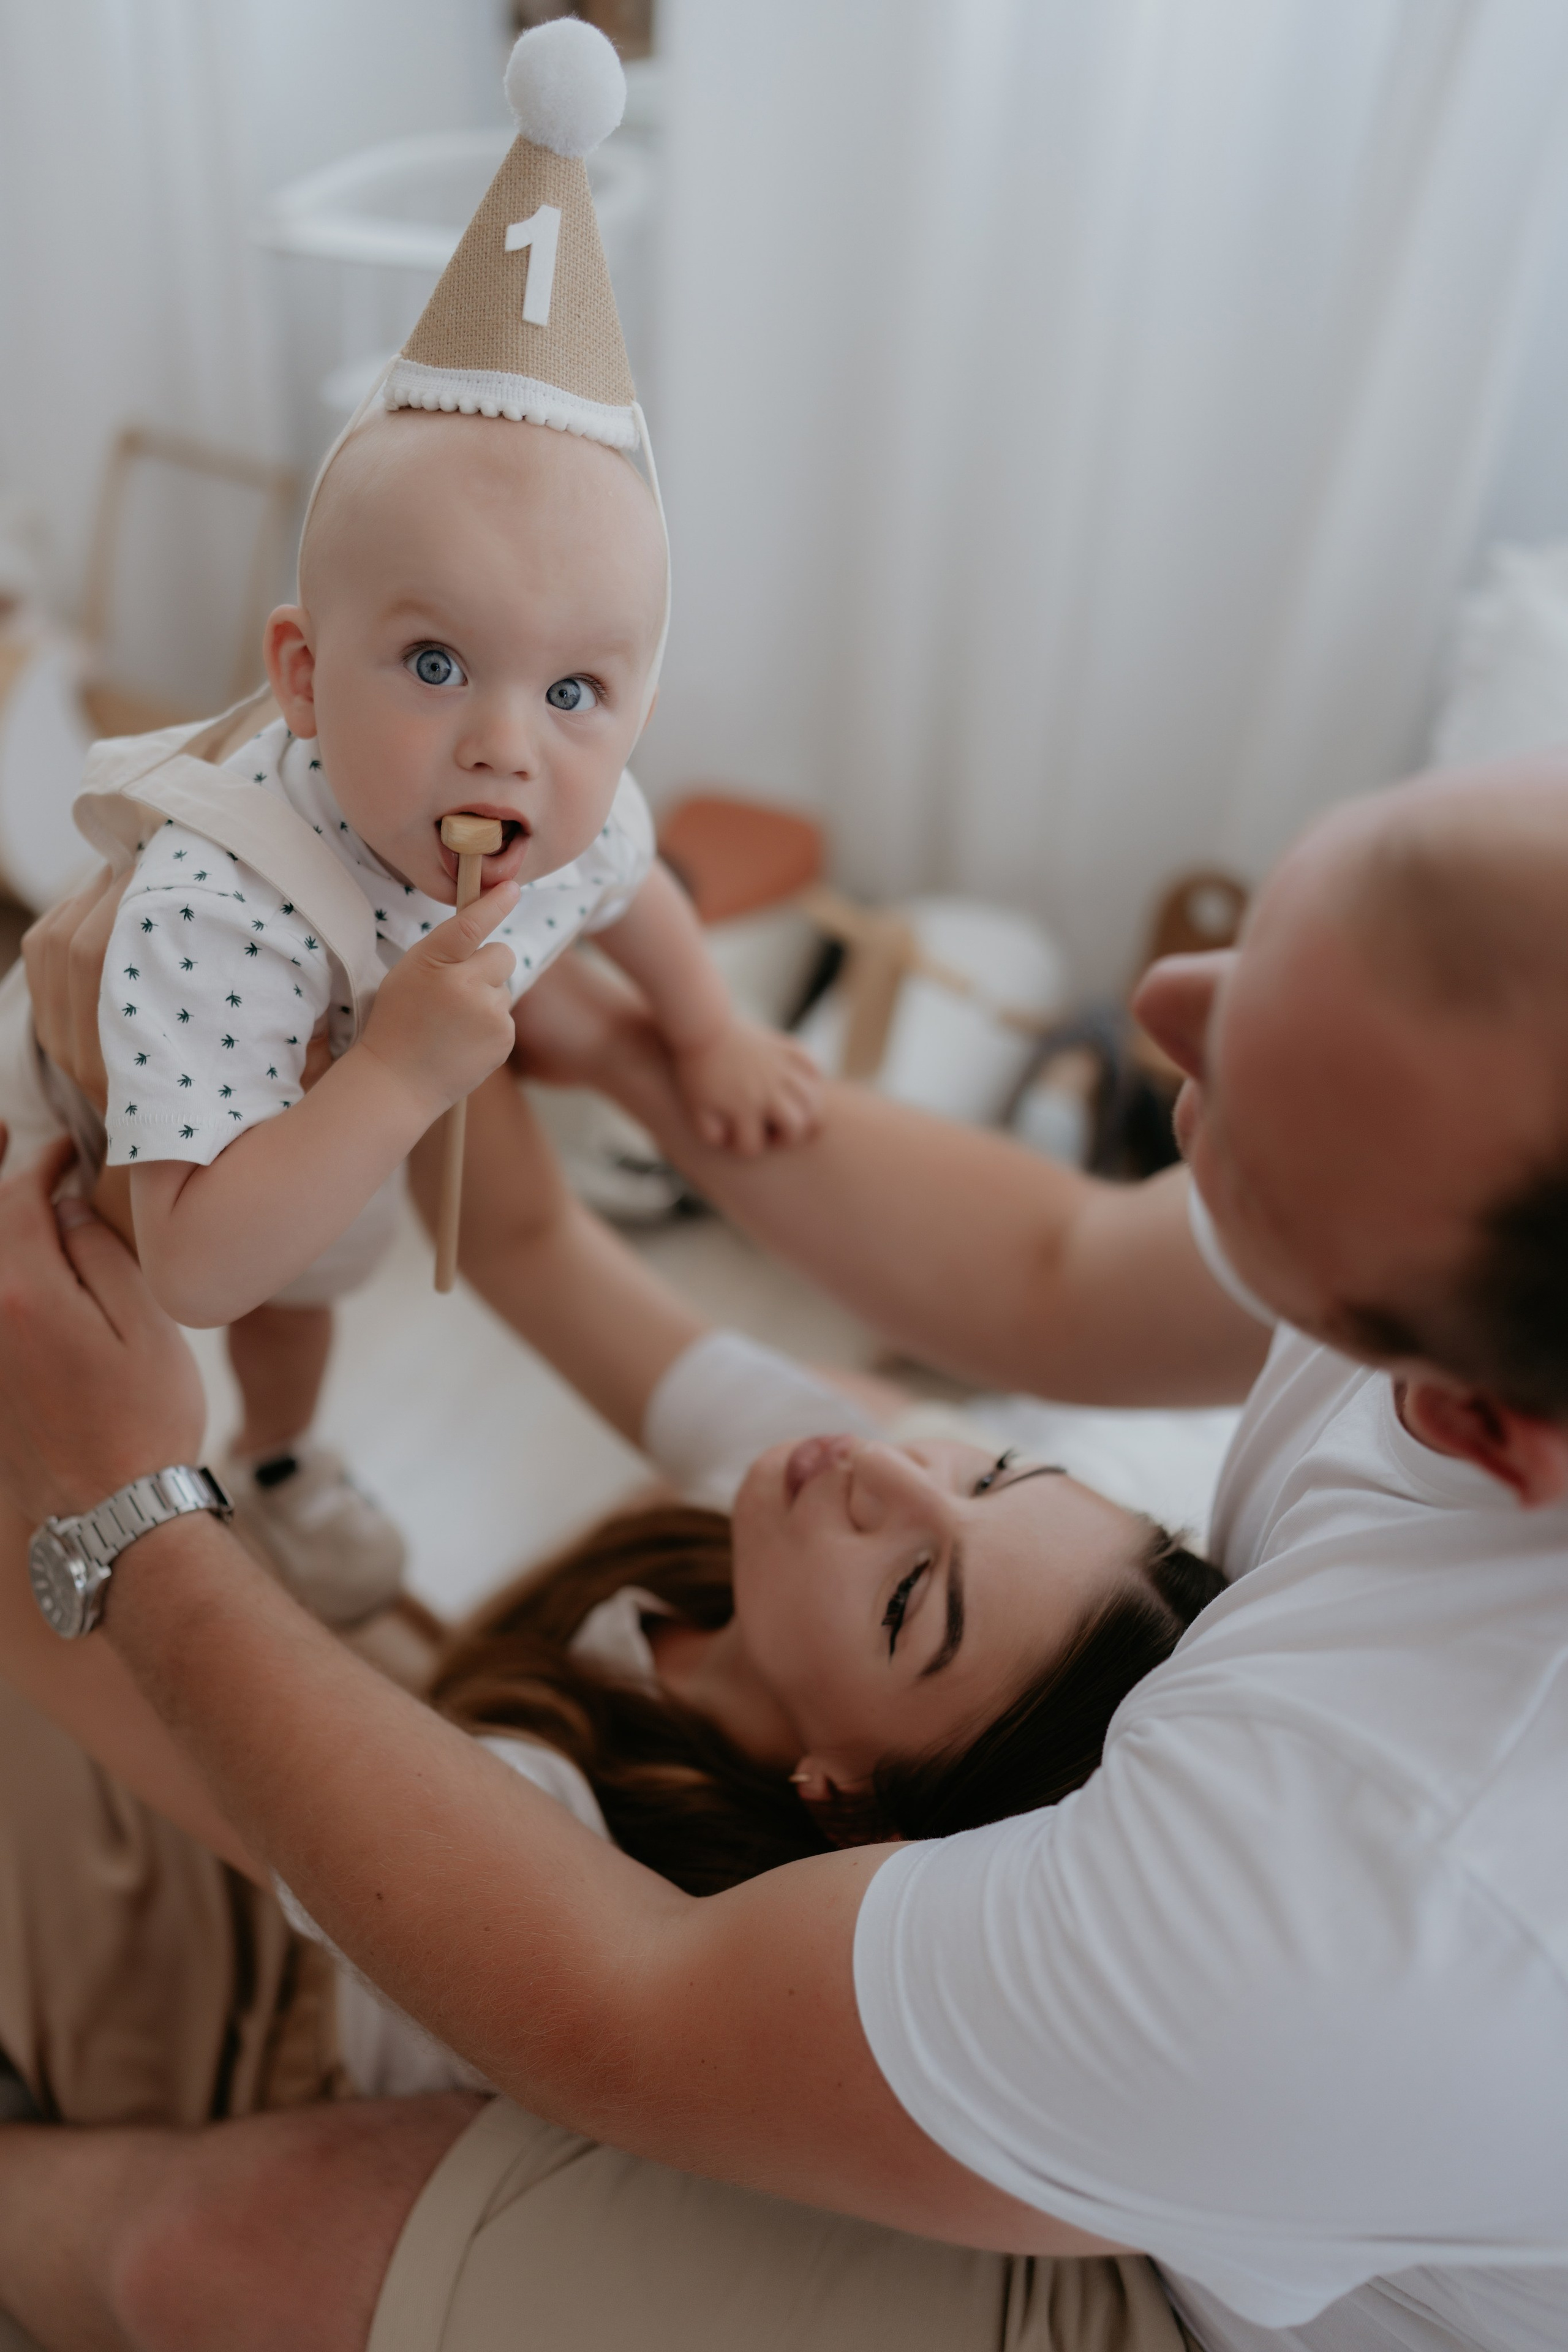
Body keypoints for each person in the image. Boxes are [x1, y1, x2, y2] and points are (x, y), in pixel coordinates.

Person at [2, 758, 1567, 2352]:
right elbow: (1046, 1265)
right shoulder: (912, 1530)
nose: (1163, 996)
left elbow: (614, 1992)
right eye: (998, 1465)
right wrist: (545, 1040)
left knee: (223, 2248)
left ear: (1487, 1428)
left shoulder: (1377, 1890)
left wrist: (121, 1498)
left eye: (914, 1602)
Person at [0, 18, 818, 1627]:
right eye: (435, 663)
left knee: (304, 1307)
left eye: (578, 690)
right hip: (107, 1175)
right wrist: (393, 1073)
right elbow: (197, 1264)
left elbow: (633, 883)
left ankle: (289, 1457)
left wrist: (709, 1031)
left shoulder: (567, 809)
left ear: (638, 706)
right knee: (124, 1359)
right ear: (301, 673)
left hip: (303, 1131)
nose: (509, 749)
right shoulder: (216, 912)